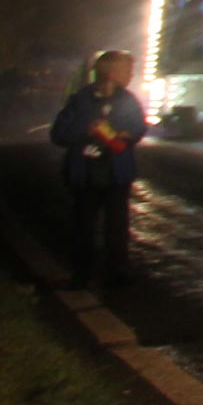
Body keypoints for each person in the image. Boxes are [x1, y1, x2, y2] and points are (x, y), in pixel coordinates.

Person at [50, 50, 147, 288]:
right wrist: (87, 130)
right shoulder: (80, 100)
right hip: (86, 175)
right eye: (127, 70)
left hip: (116, 174)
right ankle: (81, 273)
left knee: (117, 226)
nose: (131, 75)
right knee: (83, 226)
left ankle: (117, 271)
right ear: (111, 73)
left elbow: (138, 126)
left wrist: (127, 135)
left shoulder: (128, 100)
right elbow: (59, 134)